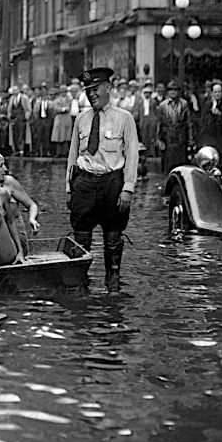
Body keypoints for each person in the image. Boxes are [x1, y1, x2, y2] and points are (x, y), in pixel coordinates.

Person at [66, 67, 139, 293]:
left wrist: (128, 188)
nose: (92, 94)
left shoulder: (124, 118)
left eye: (96, 89)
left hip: (112, 183)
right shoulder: (81, 118)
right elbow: (73, 154)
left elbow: (132, 155)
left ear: (109, 88)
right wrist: (69, 188)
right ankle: (80, 282)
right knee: (81, 235)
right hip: (84, 182)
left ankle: (113, 281)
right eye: (88, 90)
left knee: (113, 237)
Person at [0, 147, 40, 256]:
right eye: (1, 166)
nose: (5, 169)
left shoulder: (9, 183)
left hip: (16, 243)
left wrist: (32, 219)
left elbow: (32, 205)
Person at [157, 81, 192, 173]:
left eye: (175, 90)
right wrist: (159, 140)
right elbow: (159, 124)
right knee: (168, 164)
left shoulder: (184, 104)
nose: (173, 92)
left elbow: (189, 123)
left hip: (181, 137)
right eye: (170, 90)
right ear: (167, 92)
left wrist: (190, 140)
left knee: (181, 165)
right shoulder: (162, 106)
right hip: (168, 137)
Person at [196, 80, 222, 161]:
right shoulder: (207, 104)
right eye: (215, 92)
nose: (217, 94)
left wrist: (220, 114)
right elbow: (203, 120)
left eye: (219, 92)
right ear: (212, 93)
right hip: (210, 138)